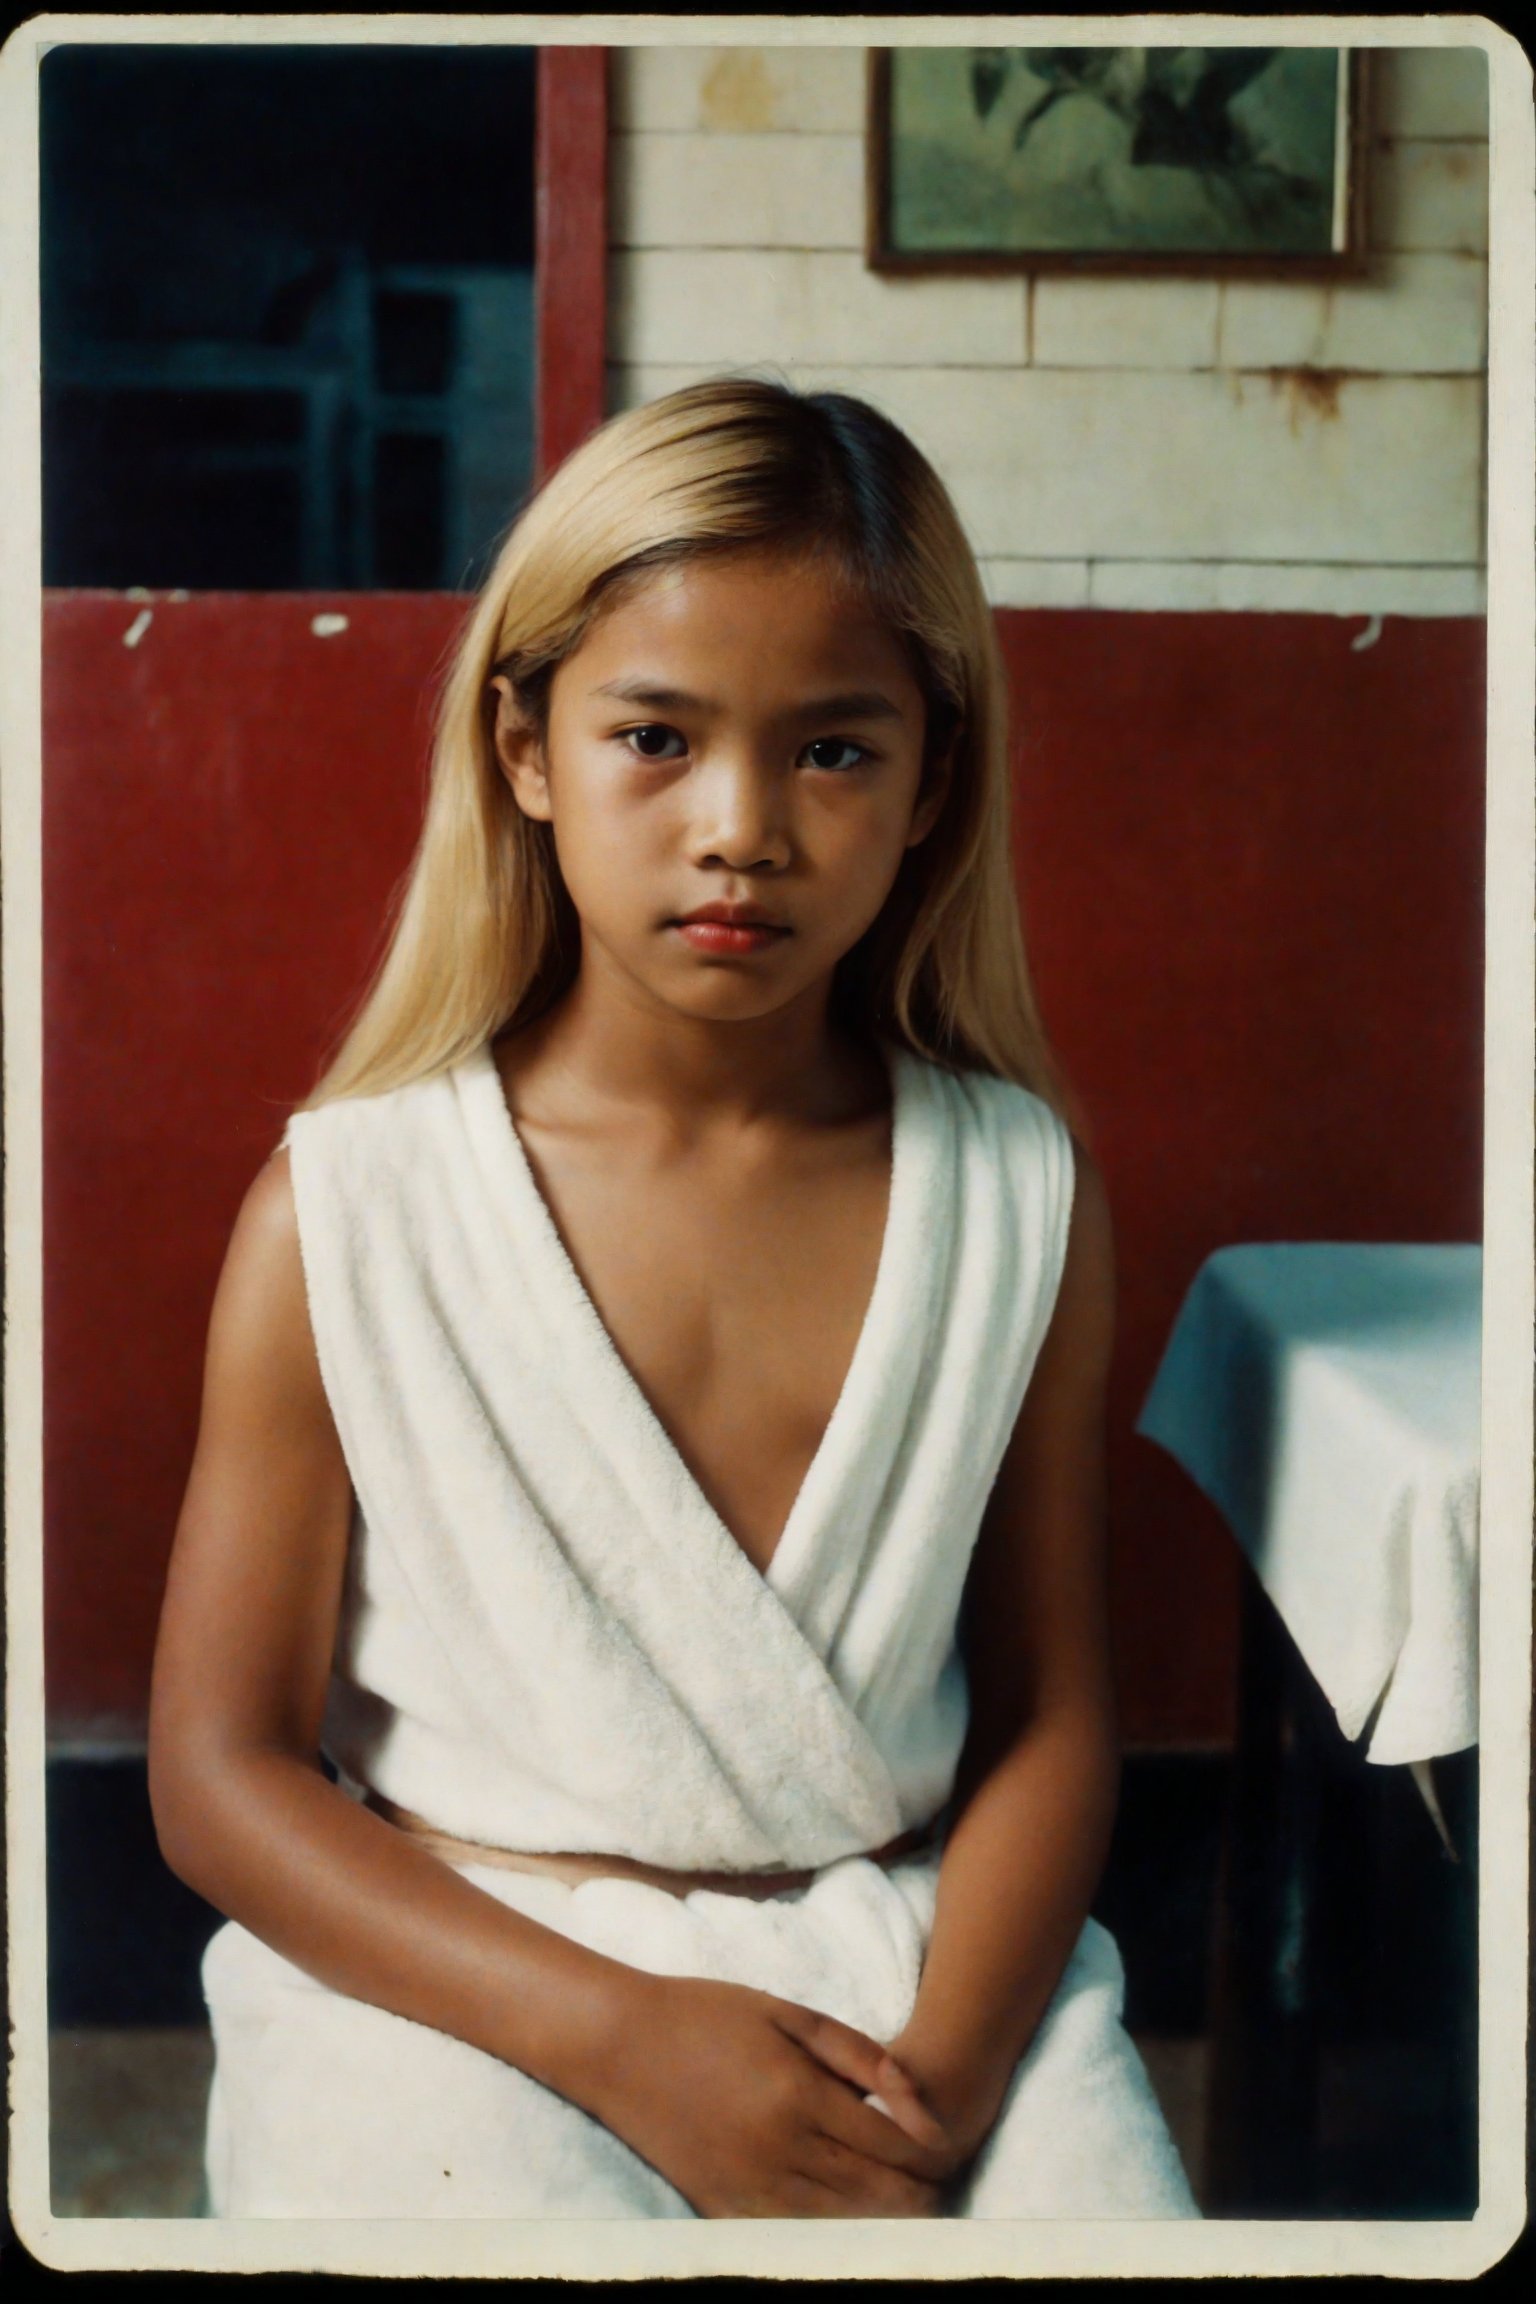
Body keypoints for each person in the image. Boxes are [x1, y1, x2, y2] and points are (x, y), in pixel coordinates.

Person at [148, 377, 1198, 2221]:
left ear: (931, 779)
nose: (744, 828)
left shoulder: (1016, 1195)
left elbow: (1046, 1713)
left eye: (835, 750)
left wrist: (933, 2091)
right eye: (656, 736)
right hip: (461, 1967)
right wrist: (626, 2036)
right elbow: (221, 1774)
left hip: (914, 1970)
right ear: (527, 749)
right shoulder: (353, 1212)